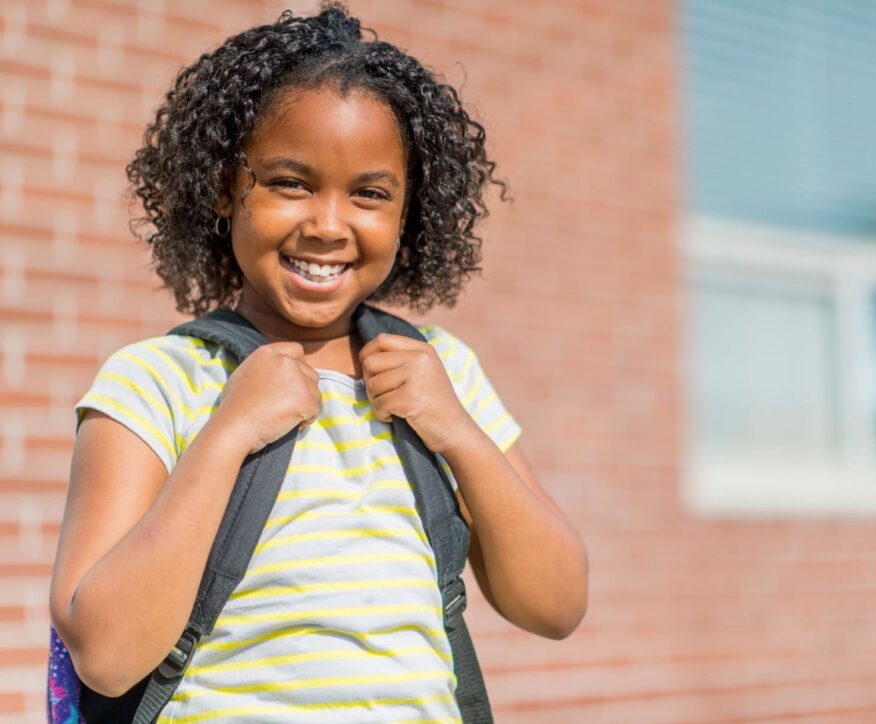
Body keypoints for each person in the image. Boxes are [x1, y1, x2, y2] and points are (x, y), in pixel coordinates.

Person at [48, 3, 589, 721]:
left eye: (369, 194)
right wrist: (228, 432)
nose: (328, 225)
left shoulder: (443, 372)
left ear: (407, 213)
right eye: (290, 182)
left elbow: (556, 605)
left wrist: (457, 430)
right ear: (222, 188)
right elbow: (106, 656)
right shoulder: (156, 382)